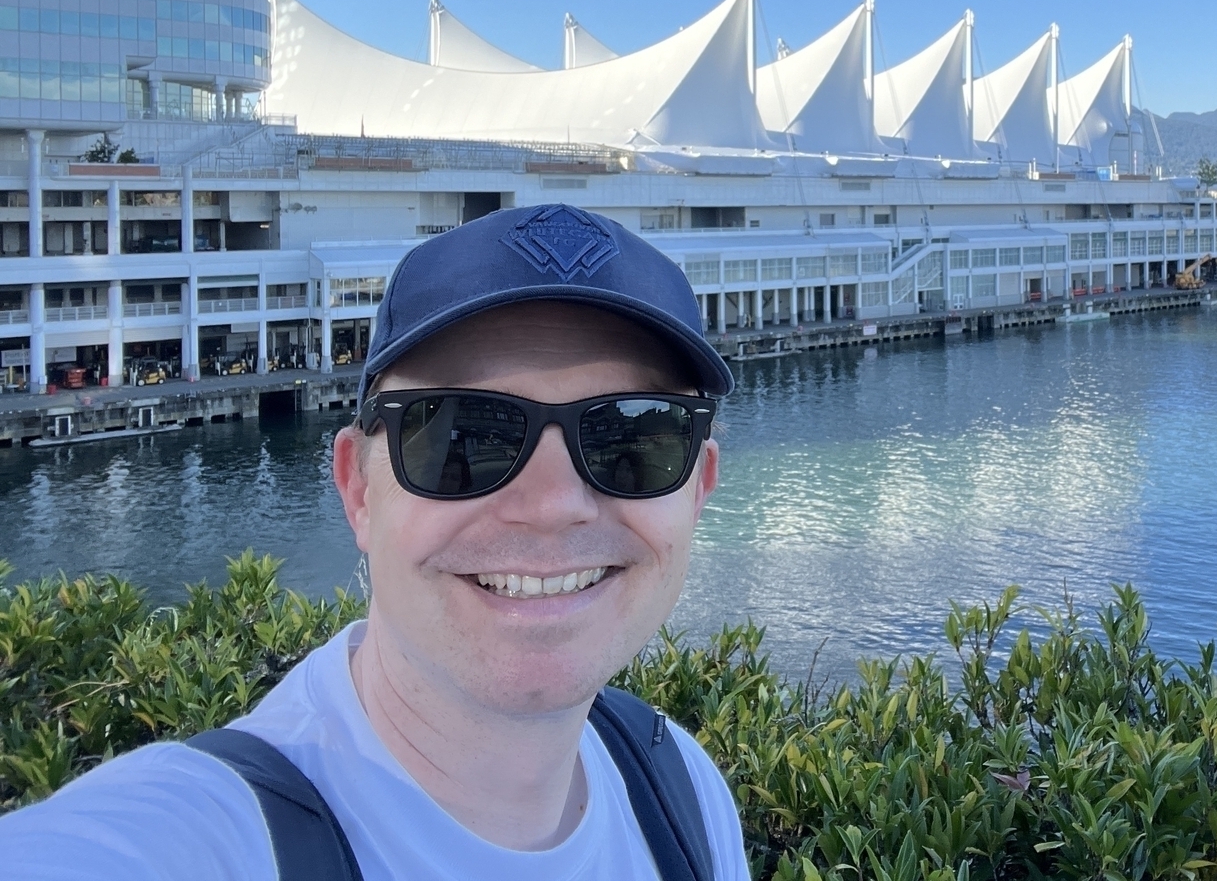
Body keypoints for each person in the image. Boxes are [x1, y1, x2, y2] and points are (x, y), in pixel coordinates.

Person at [1, 204, 750, 880]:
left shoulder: (678, 790)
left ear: (699, 488)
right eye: (462, 434)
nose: (553, 505)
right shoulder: (210, 839)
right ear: (359, 488)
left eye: (633, 436)